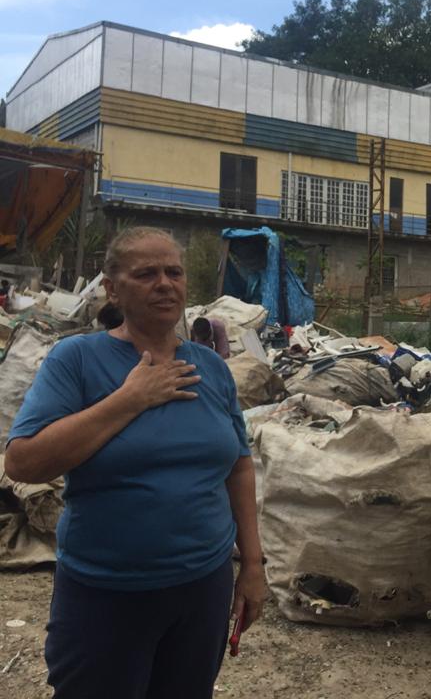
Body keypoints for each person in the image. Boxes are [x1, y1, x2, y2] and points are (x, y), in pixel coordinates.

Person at [4, 226, 265, 699]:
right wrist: (129, 400)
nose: (165, 283)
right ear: (112, 287)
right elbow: (22, 463)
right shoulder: (77, 360)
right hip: (108, 593)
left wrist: (252, 564)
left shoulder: (211, 369)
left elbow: (239, 465)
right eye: (146, 273)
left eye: (174, 272)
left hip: (202, 587)